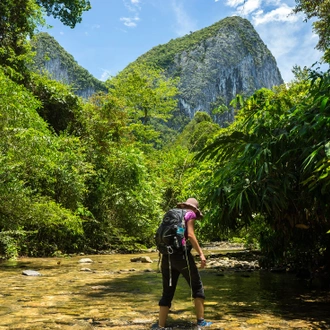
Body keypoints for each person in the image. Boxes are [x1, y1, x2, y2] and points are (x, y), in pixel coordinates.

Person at [153, 198, 212, 329]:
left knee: (167, 292)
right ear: (195, 209)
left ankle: (160, 325)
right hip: (182, 256)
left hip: (166, 256)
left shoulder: (172, 214)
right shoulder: (189, 214)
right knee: (197, 286)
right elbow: (190, 235)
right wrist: (201, 254)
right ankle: (201, 321)